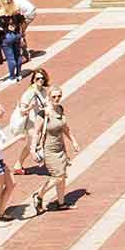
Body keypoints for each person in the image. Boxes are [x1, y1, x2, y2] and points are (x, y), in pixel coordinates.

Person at [30, 85, 80, 214]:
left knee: (62, 177)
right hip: (49, 149)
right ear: (49, 97)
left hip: (61, 148)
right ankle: (39, 195)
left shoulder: (60, 109)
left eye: (59, 96)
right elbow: (36, 133)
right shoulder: (43, 113)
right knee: (58, 176)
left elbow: (65, 128)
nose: (56, 99)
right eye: (54, 96)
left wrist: (73, 141)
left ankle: (61, 203)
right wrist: (33, 150)